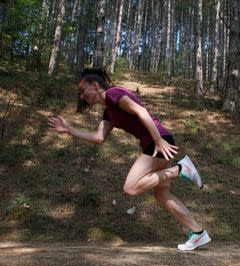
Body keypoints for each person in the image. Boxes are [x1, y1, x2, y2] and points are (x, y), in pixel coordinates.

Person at [48, 68, 211, 251]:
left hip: (158, 142)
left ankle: (180, 170)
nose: (82, 96)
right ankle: (198, 233)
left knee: (131, 187)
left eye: (82, 90)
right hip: (156, 142)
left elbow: (141, 111)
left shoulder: (114, 93)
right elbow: (99, 138)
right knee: (161, 194)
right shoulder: (108, 111)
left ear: (94, 85)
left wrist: (157, 141)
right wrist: (69, 130)